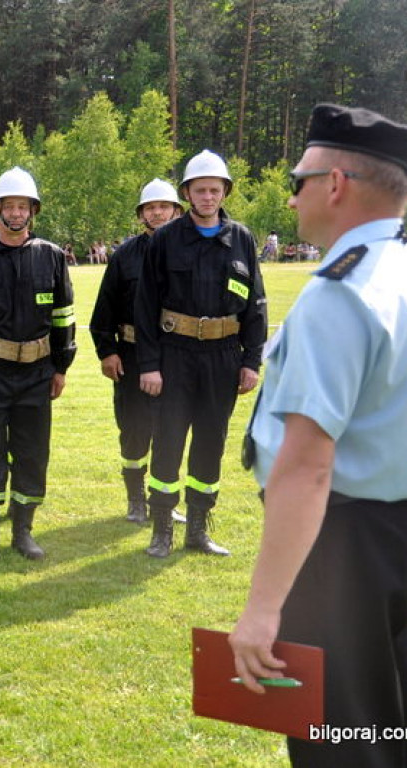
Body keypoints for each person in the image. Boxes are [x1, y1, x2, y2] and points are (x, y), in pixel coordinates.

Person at [228, 104, 407, 767]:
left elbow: (308, 467)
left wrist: (263, 609)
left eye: (298, 178)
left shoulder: (341, 292)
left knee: (345, 741)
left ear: (336, 184)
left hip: (344, 555)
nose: (291, 193)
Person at [135, 150, 267, 558]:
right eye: (200, 190)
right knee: (169, 441)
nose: (208, 197)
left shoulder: (241, 239)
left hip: (223, 356)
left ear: (224, 192)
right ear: (188, 194)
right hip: (175, 355)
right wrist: (150, 365)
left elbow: (255, 303)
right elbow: (145, 305)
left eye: (215, 189)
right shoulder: (165, 240)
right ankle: (162, 530)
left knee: (211, 442)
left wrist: (250, 360)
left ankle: (197, 530)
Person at [0, 167, 76, 560]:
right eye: (9, 205)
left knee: (31, 452)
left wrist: (61, 367)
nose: (16, 212)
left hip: (37, 374)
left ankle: (23, 530)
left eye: (23, 206)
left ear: (32, 211)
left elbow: (63, 317)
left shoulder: (52, 258)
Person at [90, 179, 183, 523]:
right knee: (133, 429)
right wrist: (107, 352)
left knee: (171, 430)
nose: (157, 212)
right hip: (129, 357)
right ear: (142, 214)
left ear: (177, 210)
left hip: (176, 357)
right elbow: (103, 311)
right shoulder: (125, 256)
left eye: (164, 206)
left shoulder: (187, 251)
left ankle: (165, 501)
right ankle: (135, 500)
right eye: (150, 207)